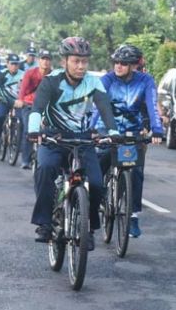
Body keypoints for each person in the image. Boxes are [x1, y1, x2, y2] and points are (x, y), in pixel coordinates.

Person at [27, 37, 119, 248]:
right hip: (54, 138)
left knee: (96, 184)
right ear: (64, 61)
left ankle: (89, 228)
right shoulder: (51, 80)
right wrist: (33, 130)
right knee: (45, 169)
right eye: (76, 61)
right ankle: (44, 223)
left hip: (82, 140)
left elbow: (105, 108)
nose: (80, 66)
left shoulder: (93, 82)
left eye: (84, 61)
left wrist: (112, 131)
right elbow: (37, 108)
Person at [91, 44, 164, 238]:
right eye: (116, 62)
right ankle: (100, 196)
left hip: (131, 133)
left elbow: (152, 105)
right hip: (106, 129)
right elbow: (98, 104)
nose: (118, 66)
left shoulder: (145, 81)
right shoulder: (107, 79)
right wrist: (91, 128)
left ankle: (132, 216)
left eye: (123, 63)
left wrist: (156, 129)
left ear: (133, 65)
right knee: (99, 165)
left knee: (135, 172)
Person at [17, 49, 52, 169]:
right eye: (43, 59)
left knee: (49, 133)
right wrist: (21, 100)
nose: (45, 62)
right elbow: (23, 89)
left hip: (46, 107)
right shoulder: (30, 73)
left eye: (48, 59)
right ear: (39, 60)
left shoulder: (54, 75)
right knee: (29, 130)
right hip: (29, 104)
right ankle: (25, 160)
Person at [0, 53, 25, 146]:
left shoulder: (24, 75)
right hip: (4, 101)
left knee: (22, 120)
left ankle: (19, 141)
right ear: (7, 63)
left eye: (16, 64)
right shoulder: (2, 74)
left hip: (18, 102)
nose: (14, 66)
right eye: (12, 64)